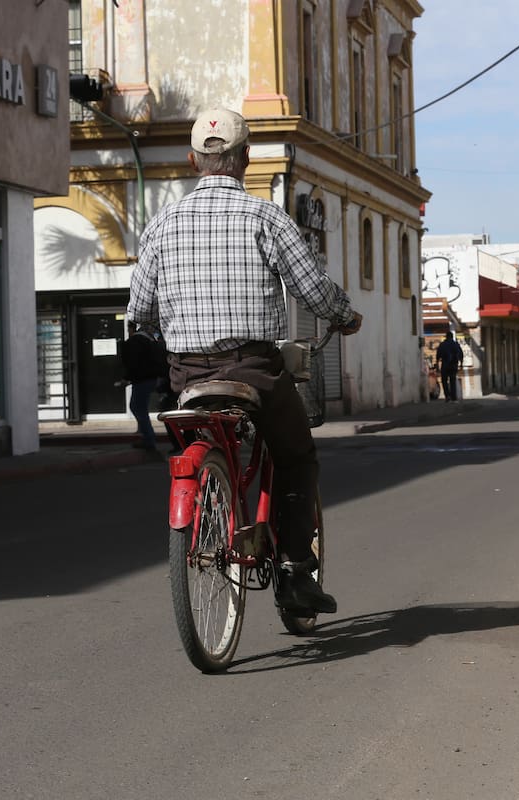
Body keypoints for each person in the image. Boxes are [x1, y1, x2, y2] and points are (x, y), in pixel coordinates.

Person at [126, 108, 362, 615]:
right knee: (297, 459)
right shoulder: (265, 217)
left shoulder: (162, 224)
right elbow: (312, 290)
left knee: (210, 438)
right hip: (255, 369)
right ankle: (297, 572)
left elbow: (140, 310)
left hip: (187, 375)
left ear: (193, 161)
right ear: (246, 159)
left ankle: (215, 497)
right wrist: (344, 315)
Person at [120, 321, 168, 452]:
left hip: (142, 379)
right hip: (151, 378)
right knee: (139, 407)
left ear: (132, 328)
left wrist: (126, 378)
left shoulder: (135, 342)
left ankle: (148, 438)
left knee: (137, 407)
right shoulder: (150, 341)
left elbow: (133, 363)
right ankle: (145, 435)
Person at [435, 330, 464, 402]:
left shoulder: (442, 345)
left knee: (444, 381)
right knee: (452, 381)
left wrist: (437, 366)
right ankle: (454, 397)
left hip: (445, 365)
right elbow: (461, 354)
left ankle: (447, 396)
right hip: (454, 365)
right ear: (452, 337)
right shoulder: (455, 344)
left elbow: (438, 355)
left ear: (446, 337)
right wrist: (461, 365)